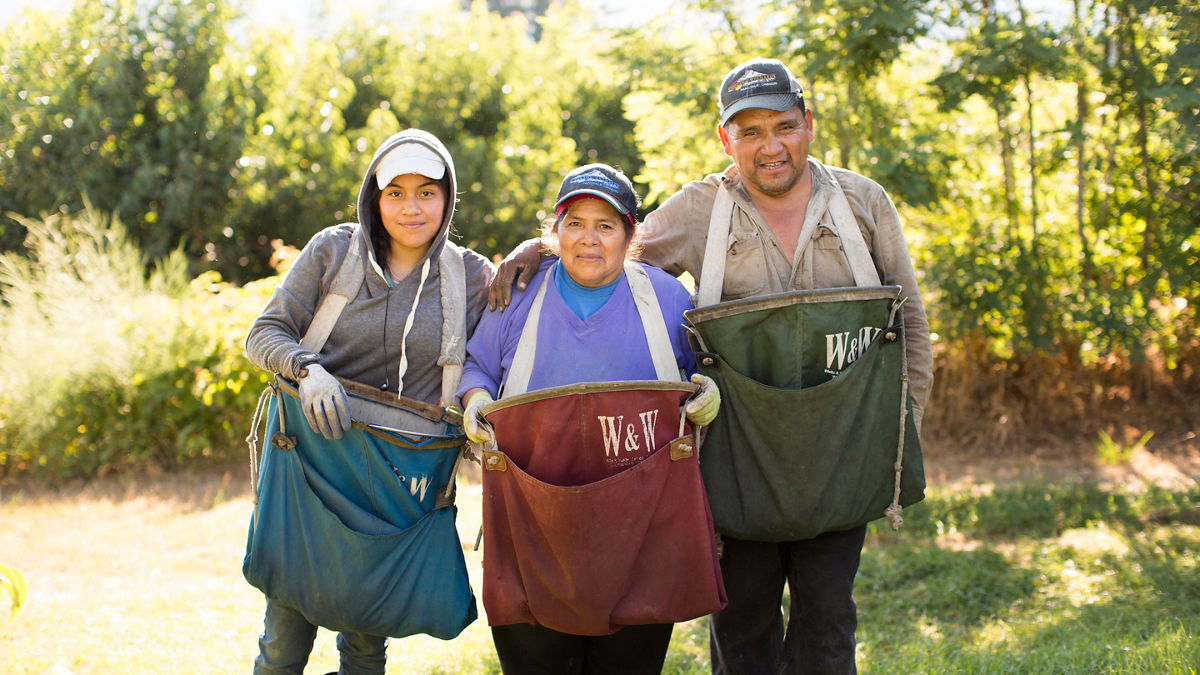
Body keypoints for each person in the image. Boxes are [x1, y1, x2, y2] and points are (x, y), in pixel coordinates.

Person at [489, 59, 933, 674]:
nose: (770, 147)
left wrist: (898, 427)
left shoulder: (862, 204)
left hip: (840, 455)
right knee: (743, 625)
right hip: (739, 464)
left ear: (808, 124)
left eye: (783, 126)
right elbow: (607, 247)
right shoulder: (702, 210)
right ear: (726, 141)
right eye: (749, 133)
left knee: (829, 624)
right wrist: (542, 246)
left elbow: (907, 320)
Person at [244, 128, 494, 674]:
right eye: (395, 192)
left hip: (397, 477)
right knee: (284, 636)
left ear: (448, 198)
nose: (411, 207)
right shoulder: (334, 251)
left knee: (364, 642)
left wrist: (532, 250)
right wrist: (307, 371)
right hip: (313, 462)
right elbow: (264, 333)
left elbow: (499, 353)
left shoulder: (472, 276)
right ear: (372, 198)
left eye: (427, 191)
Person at [458, 163, 724, 675]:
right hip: (534, 519)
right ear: (554, 232)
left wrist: (708, 394)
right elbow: (479, 366)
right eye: (575, 222)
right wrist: (474, 400)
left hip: (641, 525)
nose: (589, 239)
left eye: (606, 225)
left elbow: (702, 371)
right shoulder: (517, 294)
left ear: (631, 235)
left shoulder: (666, 299)